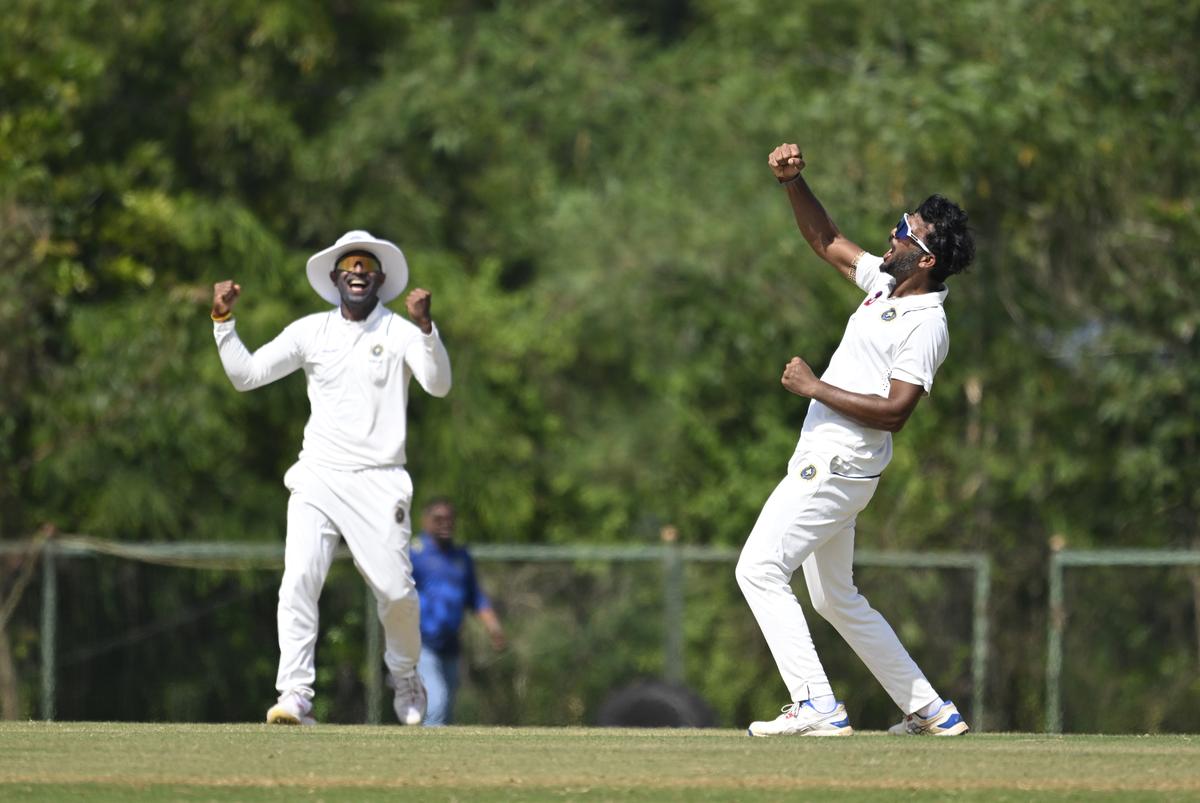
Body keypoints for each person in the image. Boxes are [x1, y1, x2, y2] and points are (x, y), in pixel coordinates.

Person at [735, 143, 976, 737]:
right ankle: (930, 710)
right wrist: (793, 183)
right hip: (836, 463)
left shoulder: (926, 322)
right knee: (835, 598)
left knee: (759, 568)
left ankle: (817, 705)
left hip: (838, 465)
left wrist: (815, 387)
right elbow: (827, 241)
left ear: (925, 259)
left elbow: (896, 412)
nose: (890, 237)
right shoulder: (886, 286)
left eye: (903, 232)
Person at [210, 230, 452, 726]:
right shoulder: (310, 331)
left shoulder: (400, 332)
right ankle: (295, 693)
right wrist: (223, 321)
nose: (358, 272)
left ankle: (404, 675)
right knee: (299, 578)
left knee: (397, 593)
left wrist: (427, 327)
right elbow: (247, 375)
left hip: (380, 480)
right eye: (350, 266)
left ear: (380, 280)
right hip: (319, 474)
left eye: (367, 267)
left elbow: (438, 384)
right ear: (336, 278)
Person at [411, 497, 506, 726]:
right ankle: (429, 756)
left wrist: (493, 626)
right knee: (437, 702)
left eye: (449, 519)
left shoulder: (461, 557)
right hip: (422, 642)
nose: (445, 524)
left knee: (449, 704)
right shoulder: (415, 553)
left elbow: (475, 597)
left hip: (451, 644)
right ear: (426, 521)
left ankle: (442, 756)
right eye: (438, 519)